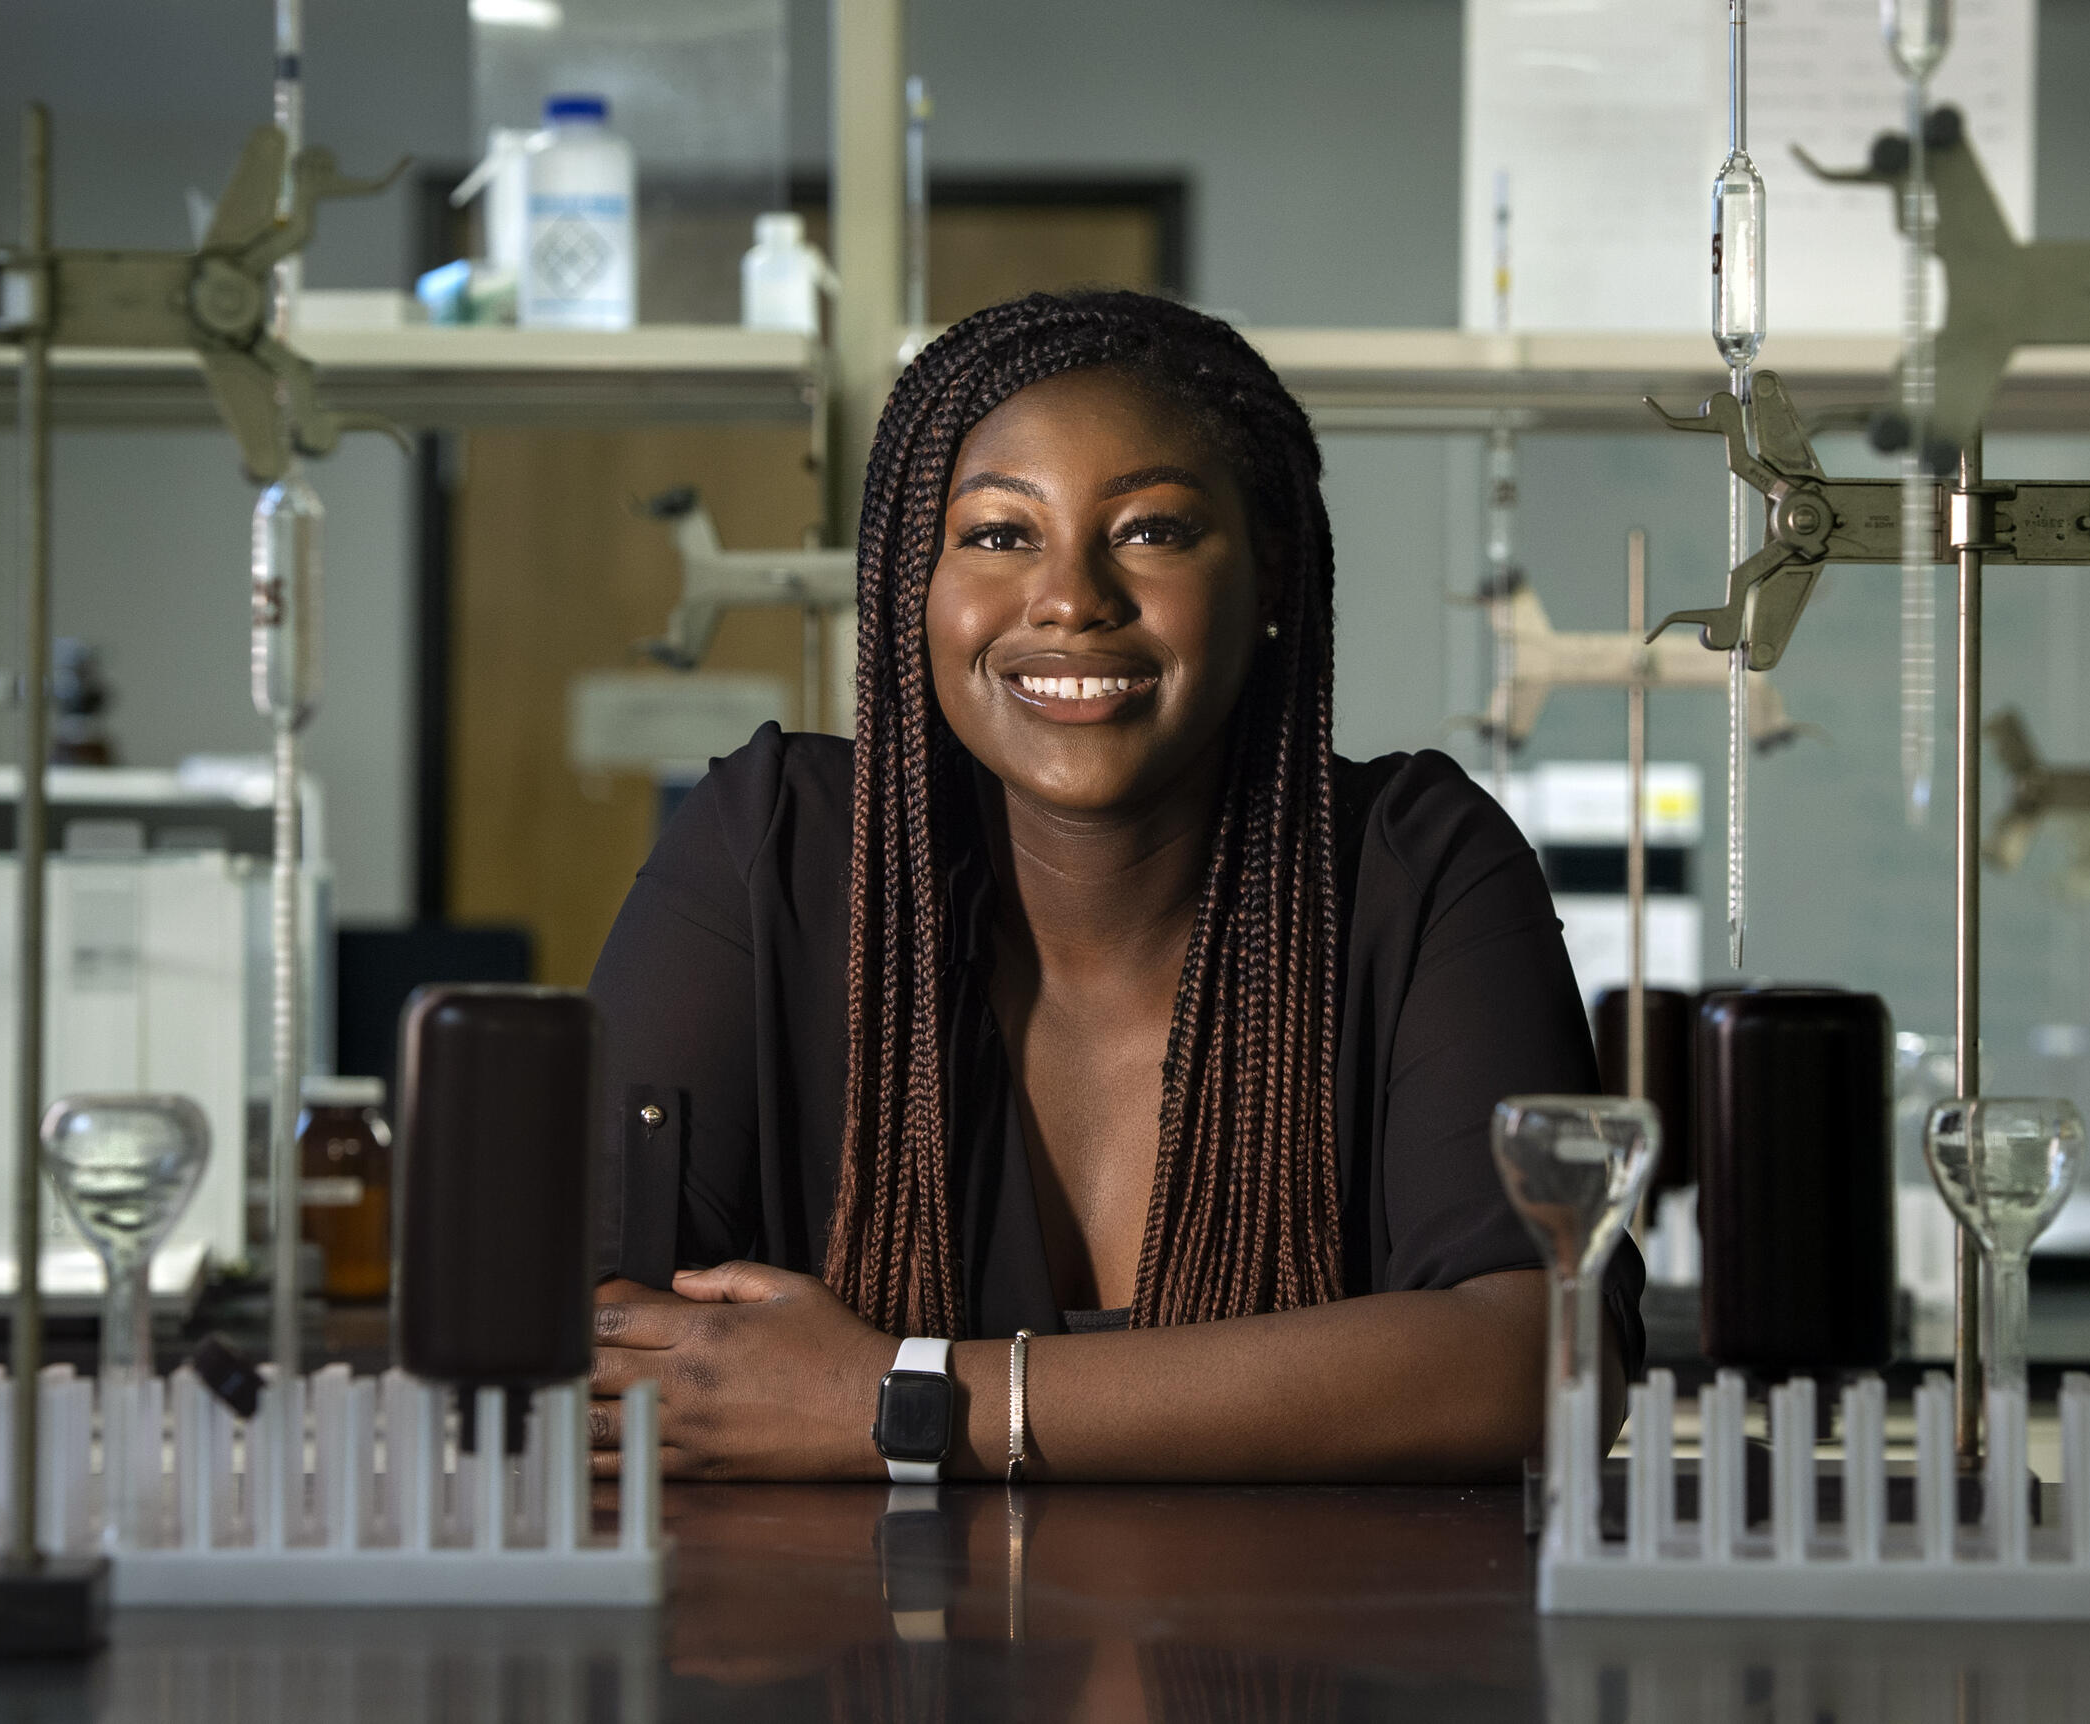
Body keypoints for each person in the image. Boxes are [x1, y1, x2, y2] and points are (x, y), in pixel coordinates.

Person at [585, 289, 1642, 1482]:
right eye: (996, 533)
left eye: (1151, 529)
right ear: (905, 585)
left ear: (1274, 575)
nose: (1071, 595)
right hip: (843, 1657)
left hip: (1314, 1660)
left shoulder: (1414, 869)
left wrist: (896, 1399)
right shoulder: (771, 850)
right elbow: (586, 1344)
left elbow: (1541, 1359)